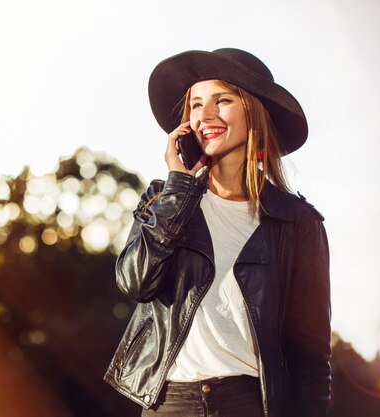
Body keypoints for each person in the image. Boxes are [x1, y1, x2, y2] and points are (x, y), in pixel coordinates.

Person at [104, 48, 331, 417]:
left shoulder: (299, 224)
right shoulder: (164, 199)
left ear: (254, 111)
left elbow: (312, 360)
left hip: (249, 404)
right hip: (168, 405)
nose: (204, 115)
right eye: (195, 104)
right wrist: (179, 188)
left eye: (222, 100)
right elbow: (135, 283)